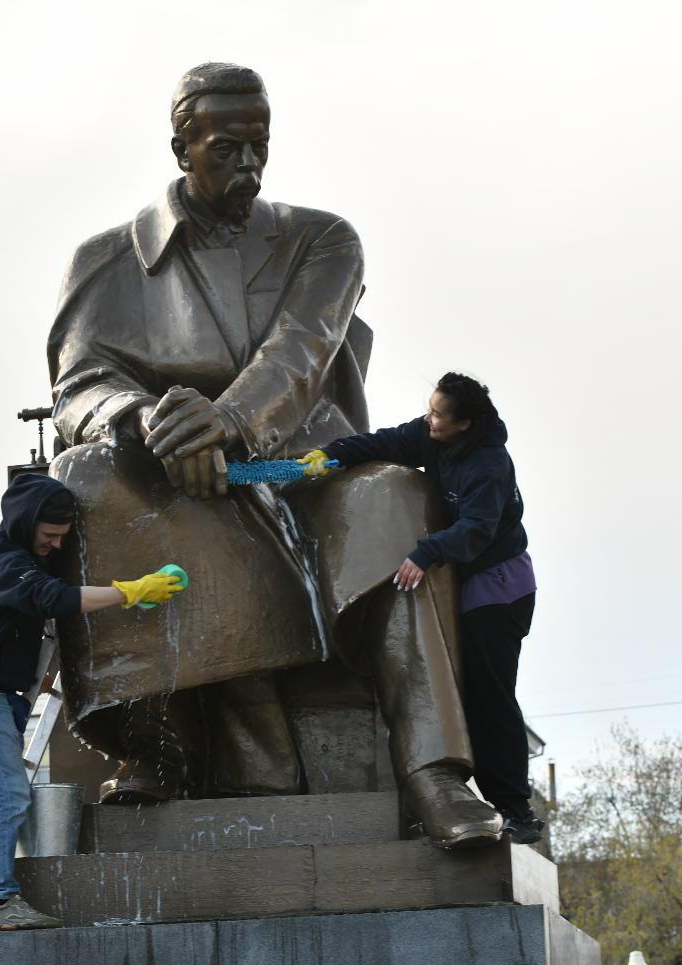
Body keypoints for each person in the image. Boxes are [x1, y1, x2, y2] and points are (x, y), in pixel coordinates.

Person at [46, 62, 503, 848]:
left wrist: (225, 424)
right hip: (172, 478)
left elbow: (301, 352)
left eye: (261, 147)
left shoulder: (320, 240)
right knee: (78, 479)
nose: (250, 167)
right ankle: (162, 740)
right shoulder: (108, 262)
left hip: (302, 468)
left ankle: (435, 772)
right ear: (181, 146)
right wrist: (146, 422)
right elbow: (80, 385)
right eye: (228, 148)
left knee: (395, 495)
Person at [0, 472, 184, 934]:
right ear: (26, 525)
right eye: (50, 535)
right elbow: (53, 599)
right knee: (7, 797)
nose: (56, 545)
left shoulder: (24, 561)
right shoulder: (8, 563)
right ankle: (0, 899)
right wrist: (132, 591)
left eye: (63, 536)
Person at [307, 372, 542, 843]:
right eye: (430, 409)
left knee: (489, 695)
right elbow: (383, 442)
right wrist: (329, 455)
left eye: (439, 415)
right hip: (461, 577)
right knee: (465, 689)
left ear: (465, 424)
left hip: (498, 586)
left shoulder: (489, 464)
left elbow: (476, 529)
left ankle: (517, 810)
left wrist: (424, 553)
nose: (429, 419)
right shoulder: (431, 436)